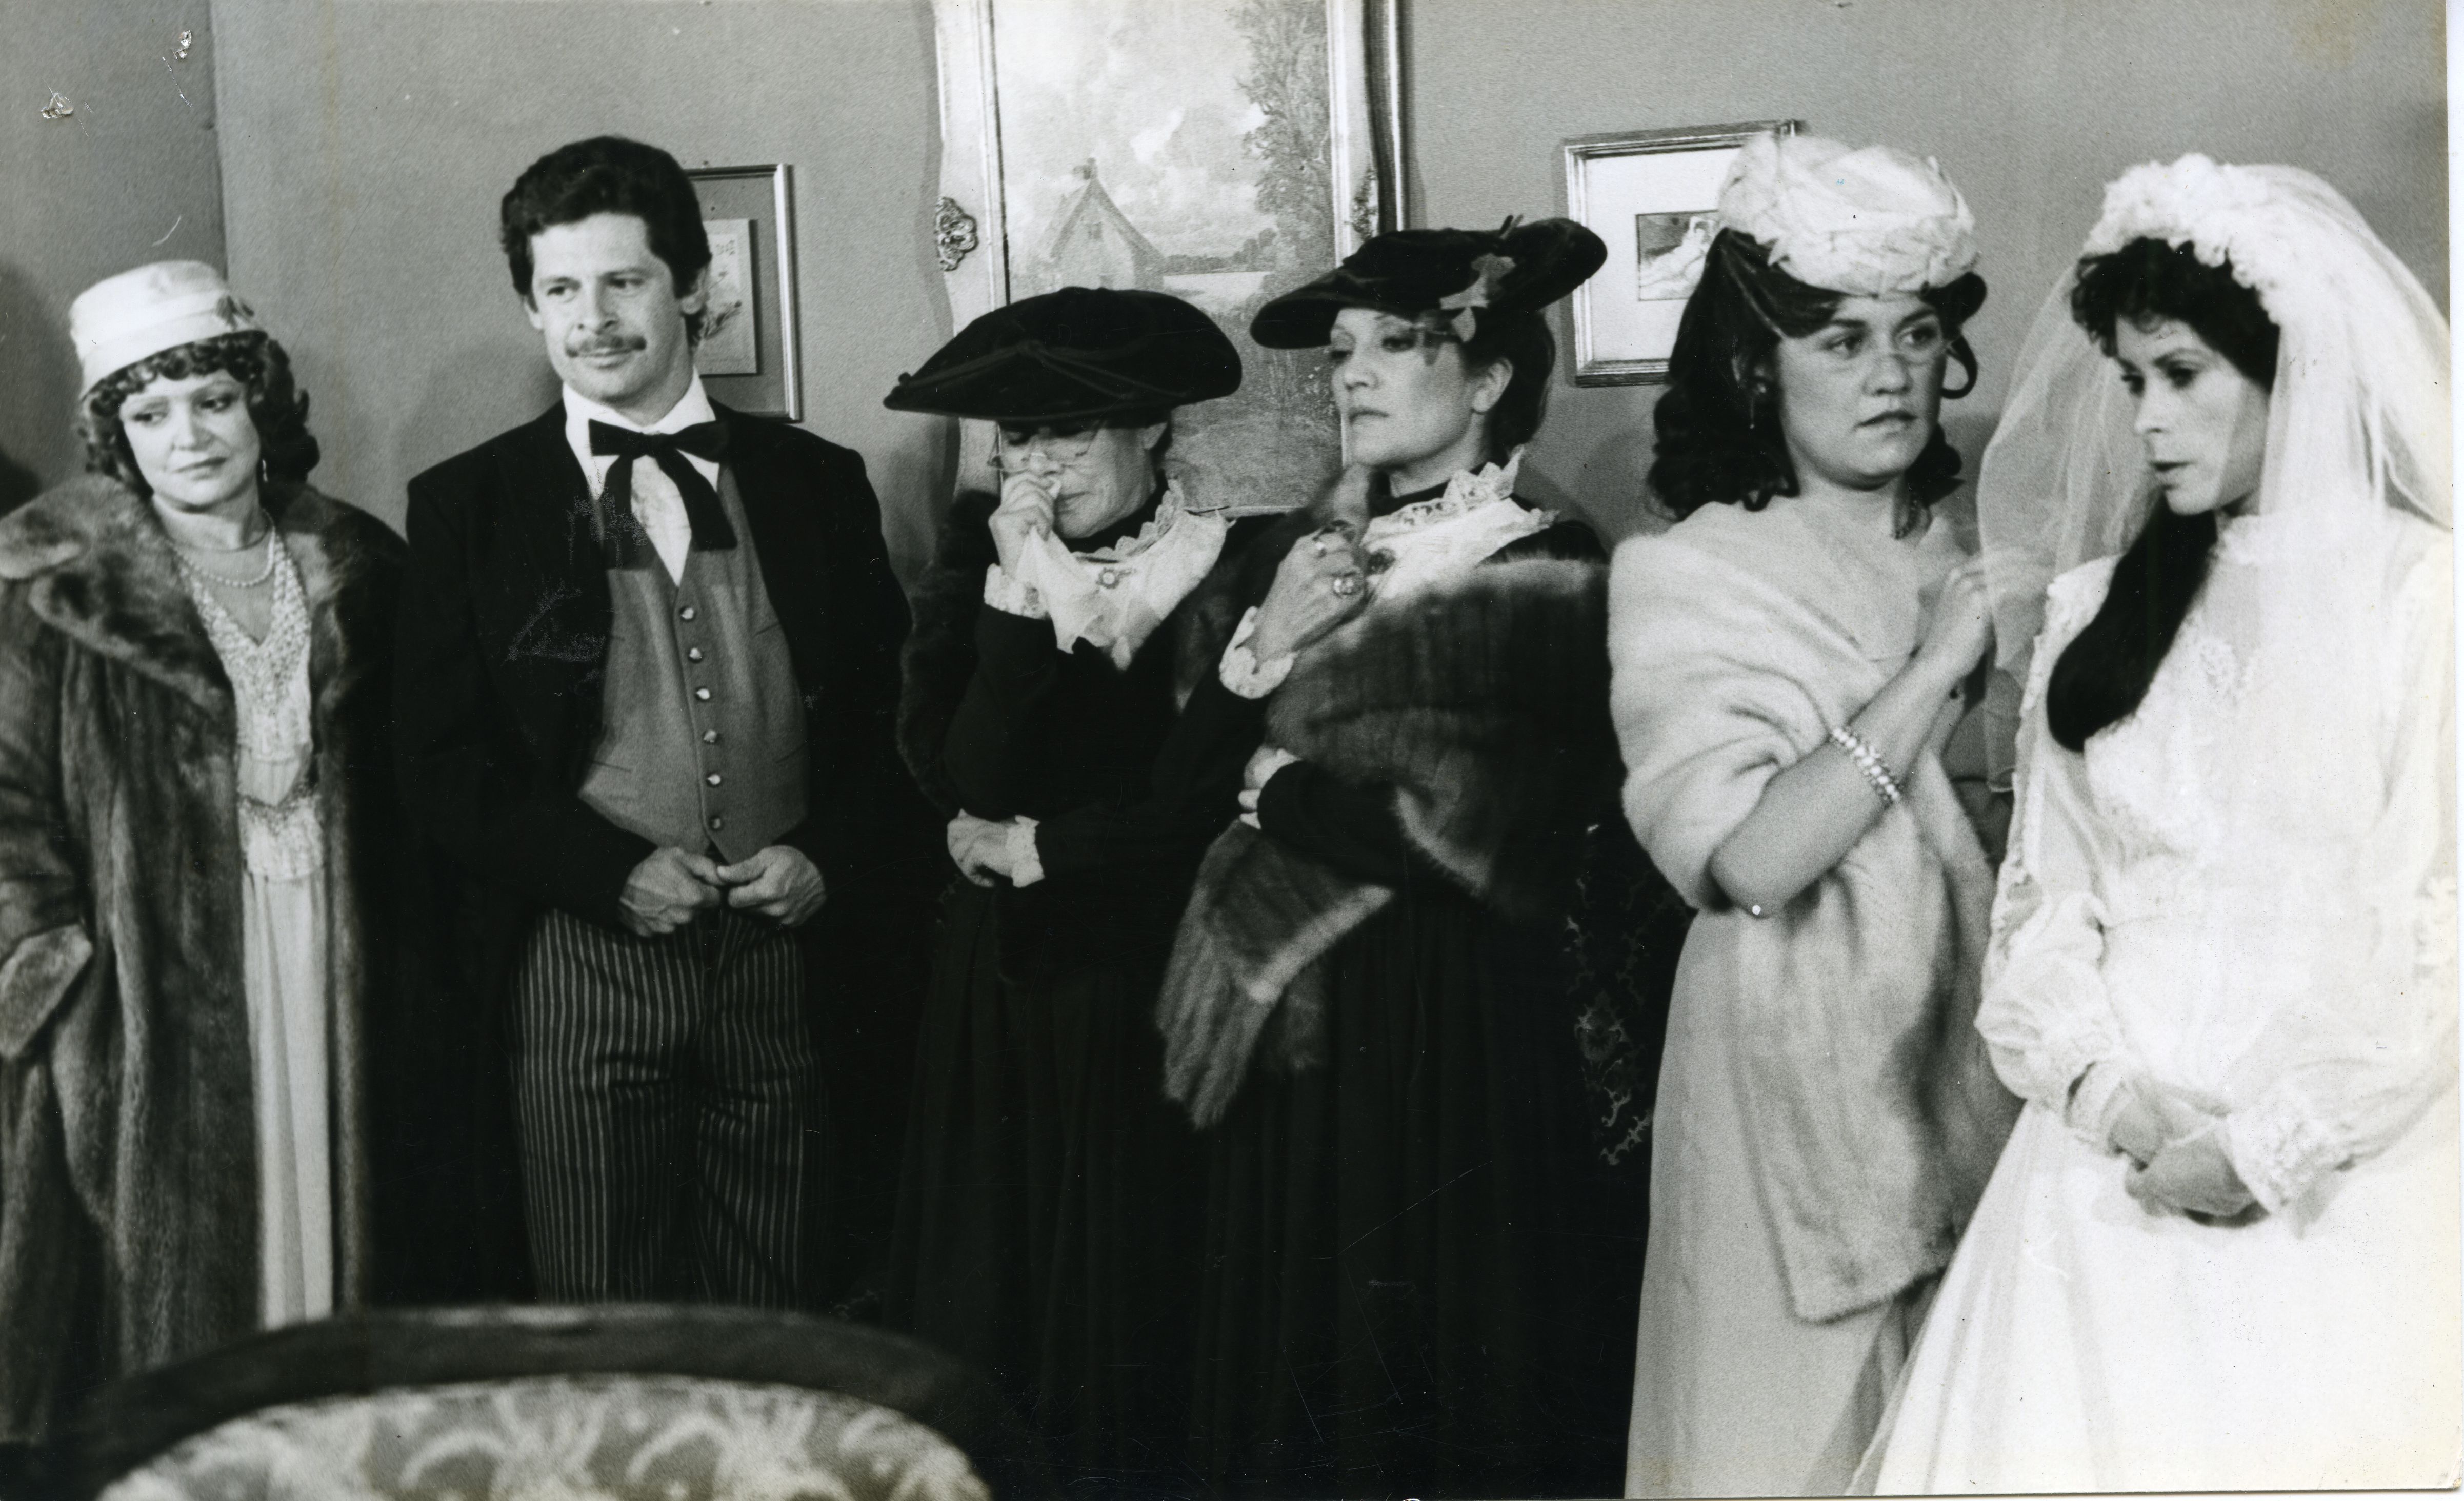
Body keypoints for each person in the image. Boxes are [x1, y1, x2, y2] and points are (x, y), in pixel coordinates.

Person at [1863, 154, 2458, 1493]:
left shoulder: (2428, 601)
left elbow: (2441, 926)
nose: (2146, 419)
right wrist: (2115, 1099)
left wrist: (2263, 1148)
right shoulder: (2094, 612)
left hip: (2347, 1150)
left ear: (2296, 367)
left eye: (2182, 375)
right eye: (2131, 381)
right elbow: (2041, 909)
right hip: (2104, 1169)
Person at [1157, 218, 1643, 1497]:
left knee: (1428, 1348)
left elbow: (1474, 829)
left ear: (1488, 380)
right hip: (1291, 1016)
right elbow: (1177, 788)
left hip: (1446, 1019)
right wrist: (1267, 641)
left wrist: (1278, 788)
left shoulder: (1544, 562)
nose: (1354, 376)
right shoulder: (1292, 551)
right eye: (1341, 352)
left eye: (1396, 346)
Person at [394, 136, 920, 1309]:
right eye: (562, 289)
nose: (594, 320)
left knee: (780, 1314)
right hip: (581, 966)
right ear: (531, 308)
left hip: (785, 966)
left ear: (692, 286)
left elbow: (896, 723)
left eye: (624, 281)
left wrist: (826, 859)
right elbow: (438, 762)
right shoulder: (469, 504)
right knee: (601, 1316)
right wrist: (607, 874)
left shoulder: (816, 481)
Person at [1606, 133, 2019, 1497]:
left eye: (1915, 334)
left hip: (1971, 1042)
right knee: (1787, 1450)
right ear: (1754, 368)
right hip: (1785, 1065)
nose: (1890, 372)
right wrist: (1934, 671)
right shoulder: (1685, 572)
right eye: (1841, 340)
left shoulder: (1976, 542)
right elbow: (1747, 859)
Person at [0, 263, 409, 1461]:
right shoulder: (44, 583)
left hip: (335, 955)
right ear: (116, 435)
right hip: (144, 996)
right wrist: (60, 979)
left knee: (333, 1224)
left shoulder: (361, 563)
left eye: (213, 399)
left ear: (258, 403)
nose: (189, 435)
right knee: (171, 1274)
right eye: (151, 411)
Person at [881, 286, 1270, 1490]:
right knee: (1003, 1301)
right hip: (1010, 992)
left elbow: (1208, 791)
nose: (1040, 465)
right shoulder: (979, 571)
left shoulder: (1238, 563)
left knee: (1158, 1303)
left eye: (1071, 431)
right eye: (1019, 438)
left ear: (1153, 428)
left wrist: (1052, 840)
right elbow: (963, 779)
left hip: (1169, 973)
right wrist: (1019, 590)